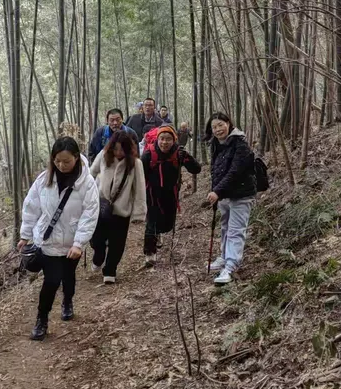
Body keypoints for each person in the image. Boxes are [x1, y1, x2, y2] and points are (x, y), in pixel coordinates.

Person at [19, 136, 99, 341]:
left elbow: (89, 214)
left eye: (66, 161)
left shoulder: (86, 183)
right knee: (51, 281)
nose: (61, 165)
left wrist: (79, 243)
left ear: (76, 158)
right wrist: (25, 234)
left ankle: (67, 301)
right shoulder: (44, 179)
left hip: (72, 243)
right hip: (47, 242)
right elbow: (31, 207)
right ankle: (41, 319)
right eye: (57, 161)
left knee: (69, 278)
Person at [206, 112, 256, 286]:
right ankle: (225, 256)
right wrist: (215, 190)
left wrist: (217, 191)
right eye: (214, 127)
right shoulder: (216, 144)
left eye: (221, 125)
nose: (218, 129)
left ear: (229, 123)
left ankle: (231, 265)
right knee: (226, 227)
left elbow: (235, 171)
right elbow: (215, 169)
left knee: (236, 230)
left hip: (241, 194)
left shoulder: (240, 144)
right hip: (225, 194)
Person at [90, 130, 147, 283]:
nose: (118, 152)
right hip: (101, 207)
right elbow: (91, 174)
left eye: (122, 149)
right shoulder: (103, 156)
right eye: (115, 149)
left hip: (121, 211)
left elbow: (140, 189)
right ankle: (98, 257)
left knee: (117, 243)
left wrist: (139, 214)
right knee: (96, 240)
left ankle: (110, 271)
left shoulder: (135, 164)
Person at [142, 126, 201, 268]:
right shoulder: (149, 154)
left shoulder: (178, 152)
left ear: (174, 140)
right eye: (162, 139)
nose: (164, 142)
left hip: (171, 193)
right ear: (157, 139)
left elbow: (196, 169)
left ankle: (158, 234)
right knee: (152, 223)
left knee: (168, 224)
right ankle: (149, 253)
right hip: (152, 193)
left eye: (168, 139)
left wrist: (186, 157)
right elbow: (139, 175)